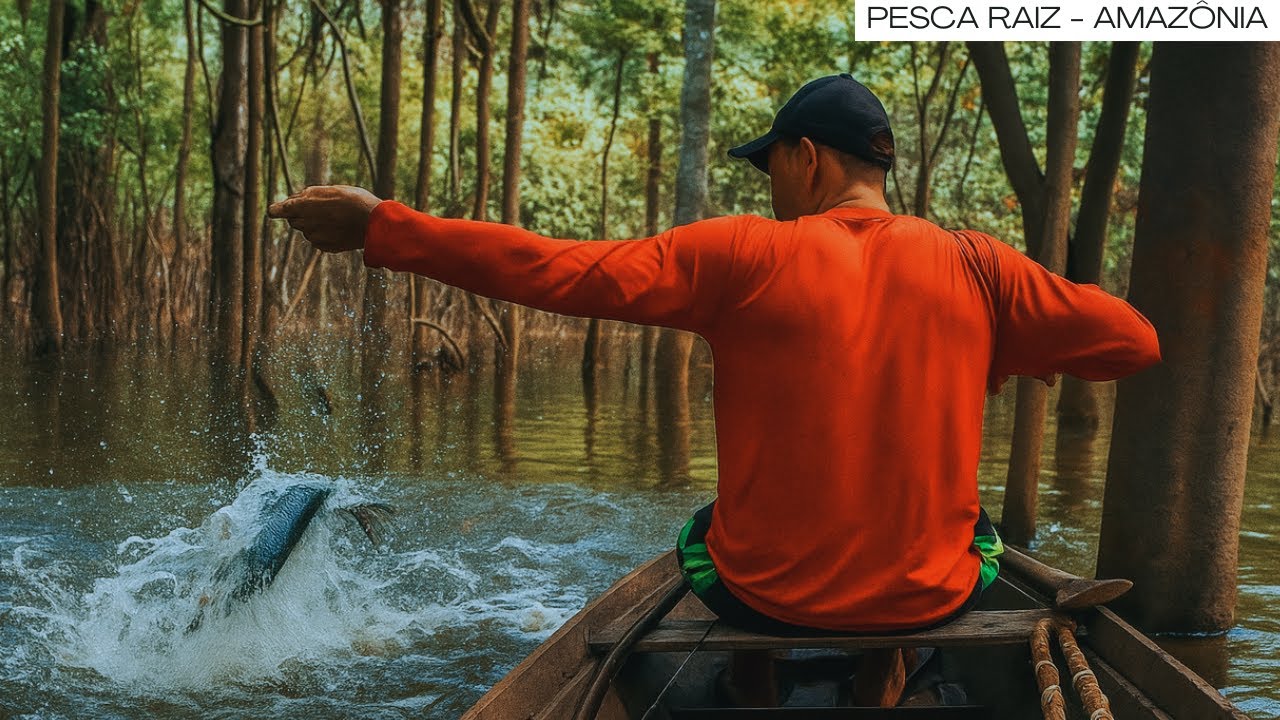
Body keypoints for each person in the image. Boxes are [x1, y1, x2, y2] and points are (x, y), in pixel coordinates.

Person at [269, 74, 1161, 704]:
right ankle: (882, 680)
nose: (769, 184)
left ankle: (755, 679)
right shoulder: (978, 266)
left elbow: (557, 270)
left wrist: (384, 226)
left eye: (771, 163)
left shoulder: (740, 253)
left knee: (702, 537)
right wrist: (1003, 351)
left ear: (807, 157)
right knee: (982, 537)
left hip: (764, 595)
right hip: (931, 596)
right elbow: (1134, 342)